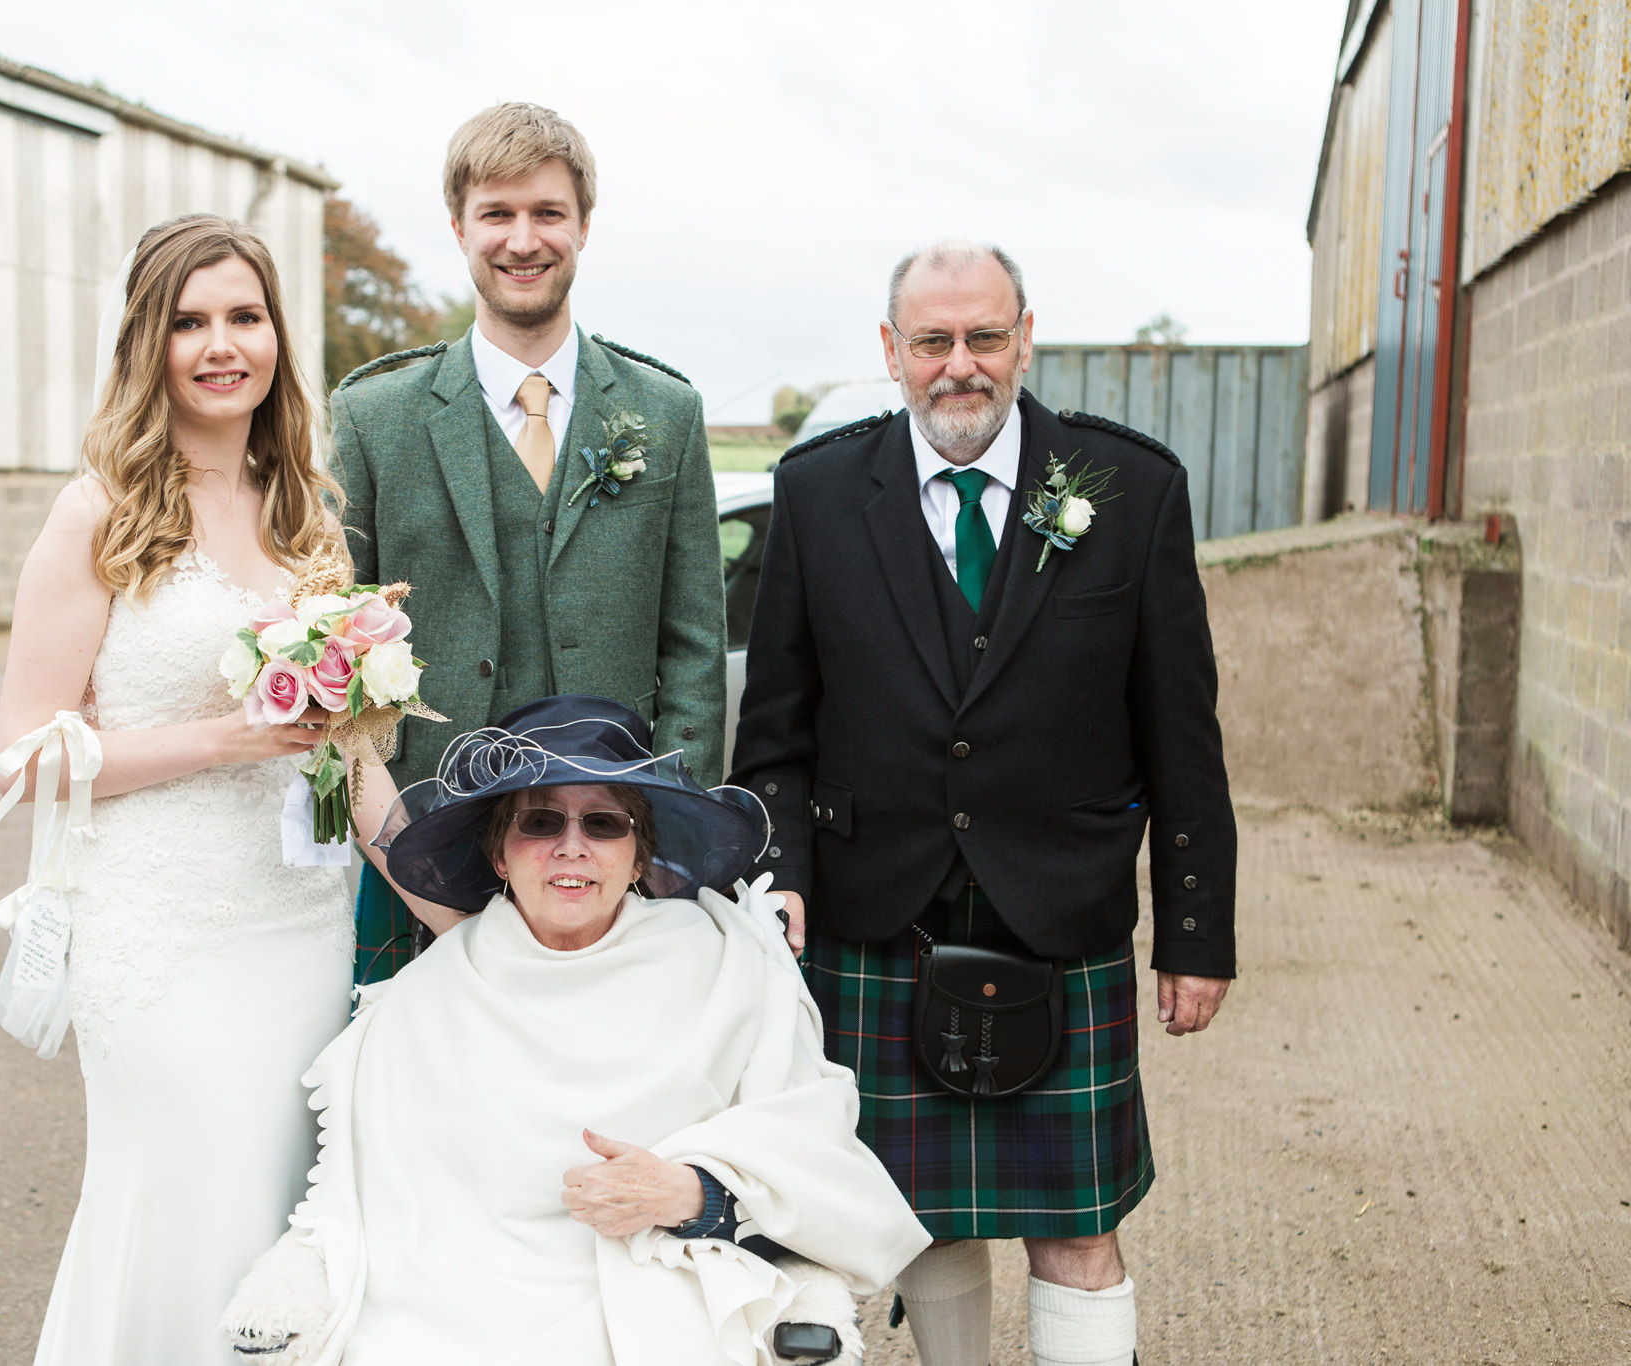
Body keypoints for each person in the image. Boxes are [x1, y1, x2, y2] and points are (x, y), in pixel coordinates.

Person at [729, 241, 1238, 1366]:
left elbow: (1180, 733)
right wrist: (783, 885)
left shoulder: (1129, 486)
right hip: (875, 913)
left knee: (1075, 1231)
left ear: (1022, 338)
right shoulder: (817, 490)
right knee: (908, 1223)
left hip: (1058, 910)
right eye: (931, 342)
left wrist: (1195, 929)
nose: (958, 366)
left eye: (982, 338)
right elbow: (775, 731)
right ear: (890, 351)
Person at [219, 695, 930, 1365]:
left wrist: (693, 1193)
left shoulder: (729, 962)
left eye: (603, 823)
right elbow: (357, 1198)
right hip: (451, 1291)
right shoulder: (424, 995)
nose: (571, 846)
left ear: (639, 855)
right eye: (539, 822)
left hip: (658, 1274)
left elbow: (815, 1149)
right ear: (499, 855)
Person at [0, 213, 355, 1365]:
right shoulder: (100, 507)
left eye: (243, 316)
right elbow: (25, 752)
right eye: (188, 321)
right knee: (192, 1197)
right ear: (147, 343)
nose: (219, 344)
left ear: (276, 337)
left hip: (302, 922)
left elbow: (345, 748)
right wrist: (224, 740)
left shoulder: (305, 510)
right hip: (162, 929)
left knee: (280, 1207)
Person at [330, 101, 732, 983]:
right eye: (497, 215)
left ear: (583, 225)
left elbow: (696, 642)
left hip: (614, 863)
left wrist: (667, 843)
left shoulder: (666, 413)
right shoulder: (373, 418)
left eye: (547, 213)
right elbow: (337, 670)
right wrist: (395, 844)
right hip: (425, 860)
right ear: (459, 227)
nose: (523, 240)